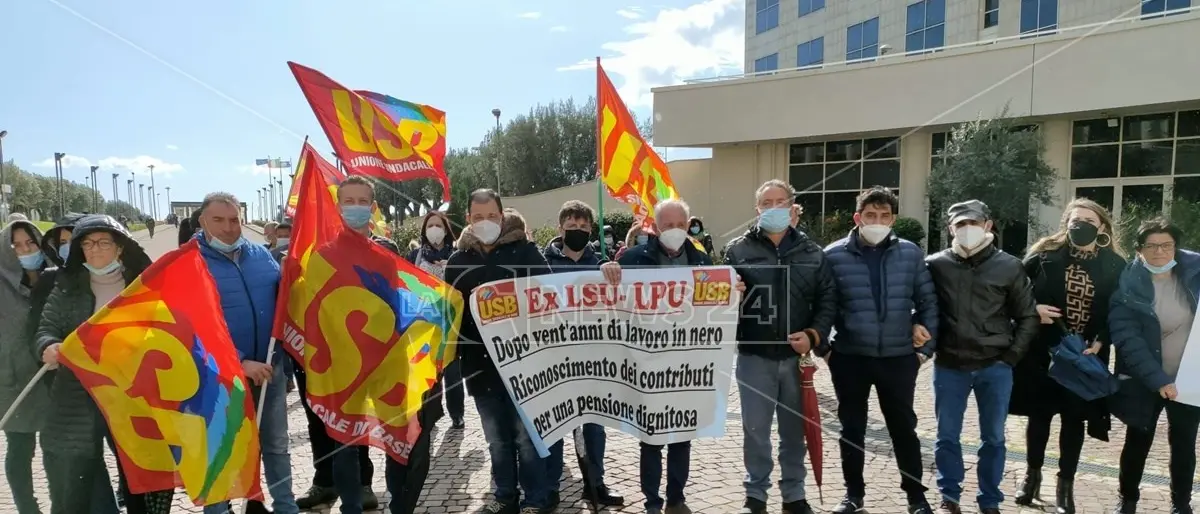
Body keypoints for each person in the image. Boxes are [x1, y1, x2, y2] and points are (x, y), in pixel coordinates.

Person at [36, 215, 169, 514]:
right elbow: (46, 328)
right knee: (83, 474)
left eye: (103, 242)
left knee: (138, 472)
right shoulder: (67, 286)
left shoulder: (142, 286)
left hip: (132, 396)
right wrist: (48, 346)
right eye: (87, 243)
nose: (94, 249)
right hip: (79, 396)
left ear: (120, 247)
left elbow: (166, 332)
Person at [821, 186, 937, 514]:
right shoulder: (833, 255)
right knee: (852, 429)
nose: (878, 220)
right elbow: (824, 306)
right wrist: (826, 350)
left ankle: (916, 496)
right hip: (850, 358)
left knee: (903, 428)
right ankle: (853, 496)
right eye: (871, 215)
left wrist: (924, 350)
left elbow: (928, 302)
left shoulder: (911, 253)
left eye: (885, 215)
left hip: (899, 358)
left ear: (893, 219)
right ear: (858, 217)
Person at [723, 180, 835, 514]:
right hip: (754, 356)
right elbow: (716, 300)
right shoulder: (737, 250)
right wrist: (732, 294)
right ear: (757, 209)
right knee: (755, 430)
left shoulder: (813, 252)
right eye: (766, 202)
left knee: (793, 431)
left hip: (795, 357)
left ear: (792, 207)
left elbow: (828, 300)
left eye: (780, 201)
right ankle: (755, 494)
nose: (773, 207)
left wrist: (814, 335)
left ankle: (794, 494)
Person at [1009, 199, 1126, 514]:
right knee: (1040, 415)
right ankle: (1031, 478)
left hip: (1086, 354)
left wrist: (1103, 340)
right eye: (1075, 219)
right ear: (1066, 223)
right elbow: (1011, 293)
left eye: (1088, 219)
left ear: (1101, 226)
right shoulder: (1043, 256)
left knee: (1074, 418)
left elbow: (1119, 310)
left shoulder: (1115, 265)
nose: (1081, 224)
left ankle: (1065, 486)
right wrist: (1032, 312)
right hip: (1044, 351)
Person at [597, 198, 714, 514]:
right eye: (667, 225)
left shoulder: (703, 262)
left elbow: (718, 304)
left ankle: (676, 498)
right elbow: (606, 295)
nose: (674, 231)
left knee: (681, 436)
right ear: (656, 228)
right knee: (650, 438)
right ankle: (652, 501)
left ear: (688, 226)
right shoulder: (634, 259)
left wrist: (735, 290)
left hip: (686, 365)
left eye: (679, 225)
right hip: (647, 363)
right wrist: (606, 269)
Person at [925, 200, 1038, 514]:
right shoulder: (936, 264)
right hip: (950, 364)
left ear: (988, 225)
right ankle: (949, 496)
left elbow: (1028, 316)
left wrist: (1011, 357)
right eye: (960, 224)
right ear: (951, 229)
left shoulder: (1010, 266)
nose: (967, 230)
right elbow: (921, 307)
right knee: (946, 435)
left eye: (973, 223)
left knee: (994, 438)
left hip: (995, 365)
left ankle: (989, 500)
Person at [445, 189, 552, 514]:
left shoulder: (527, 253)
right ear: (468, 220)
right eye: (478, 217)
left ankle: (535, 499)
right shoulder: (457, 262)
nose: (486, 222)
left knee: (528, 440)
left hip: (526, 367)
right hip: (480, 369)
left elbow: (552, 297)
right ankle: (505, 497)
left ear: (502, 216)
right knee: (497, 441)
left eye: (492, 216)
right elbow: (451, 317)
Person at [195, 193, 298, 514]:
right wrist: (238, 361)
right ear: (202, 222)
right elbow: (191, 324)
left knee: (276, 446)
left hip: (270, 368)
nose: (228, 228)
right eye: (219, 220)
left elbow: (283, 299)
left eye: (234, 220)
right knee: (220, 449)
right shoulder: (190, 262)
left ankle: (285, 507)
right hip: (218, 376)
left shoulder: (260, 255)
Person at [294, 176, 390, 513]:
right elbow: (313, 311)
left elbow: (395, 307)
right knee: (342, 441)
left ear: (373, 207)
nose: (355, 208)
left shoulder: (385, 256)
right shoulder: (322, 256)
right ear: (338, 207)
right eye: (348, 201)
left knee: (373, 431)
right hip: (336, 367)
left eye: (362, 201)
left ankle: (368, 487)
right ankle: (349, 503)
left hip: (375, 364)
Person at [537, 200, 626, 508]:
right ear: (560, 228)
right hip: (554, 360)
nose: (578, 231)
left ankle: (595, 484)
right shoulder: (541, 262)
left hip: (592, 362)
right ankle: (550, 488)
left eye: (584, 227)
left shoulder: (601, 264)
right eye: (572, 227)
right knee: (554, 428)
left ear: (592, 230)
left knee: (594, 428)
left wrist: (611, 270)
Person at [1108, 217, 1200, 514]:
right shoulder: (1127, 286)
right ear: (1139, 250)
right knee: (1138, 441)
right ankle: (1128, 500)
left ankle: (1181, 504)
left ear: (1176, 247)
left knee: (1185, 445)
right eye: (1151, 246)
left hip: (1188, 379)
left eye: (1166, 245)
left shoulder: (1194, 275)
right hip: (1144, 380)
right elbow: (1127, 339)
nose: (1160, 252)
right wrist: (1159, 380)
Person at [0, 219, 54, 514]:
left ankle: (61, 502)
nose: (24, 250)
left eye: (30, 243)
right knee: (20, 448)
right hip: (14, 379)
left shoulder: (56, 278)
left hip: (50, 377)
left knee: (54, 448)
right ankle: (27, 507)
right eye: (16, 246)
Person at [405, 210, 465, 430]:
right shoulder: (416, 256)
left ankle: (457, 413)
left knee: (452, 372)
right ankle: (430, 412)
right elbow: (407, 285)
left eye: (438, 225)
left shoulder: (458, 254)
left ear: (446, 229)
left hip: (452, 323)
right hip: (425, 323)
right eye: (430, 225)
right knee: (427, 372)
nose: (434, 230)